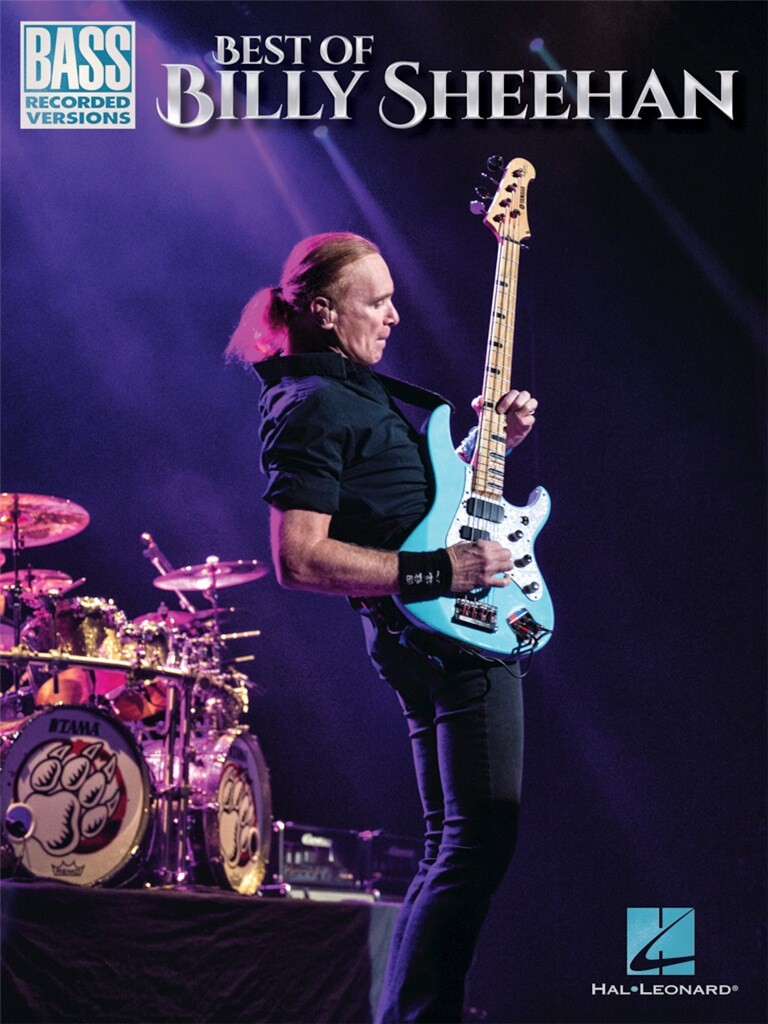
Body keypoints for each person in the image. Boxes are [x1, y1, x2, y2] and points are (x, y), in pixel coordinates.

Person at [226, 233, 539, 1023]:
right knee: (480, 839)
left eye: (394, 298)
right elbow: (298, 558)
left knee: (452, 843)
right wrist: (442, 574)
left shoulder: (354, 390)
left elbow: (409, 507)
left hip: (437, 627)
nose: (395, 315)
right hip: (444, 633)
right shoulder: (310, 402)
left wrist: (484, 449)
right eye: (376, 301)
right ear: (324, 311)